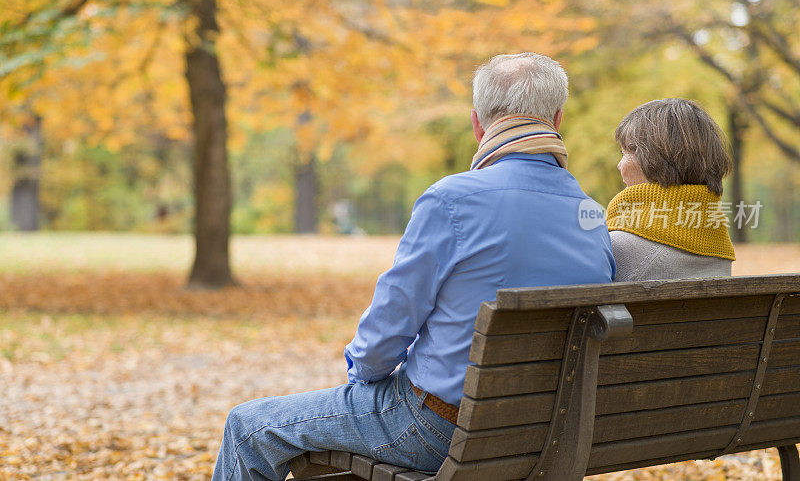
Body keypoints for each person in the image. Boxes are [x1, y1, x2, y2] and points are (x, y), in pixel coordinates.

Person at [212, 52, 616, 481]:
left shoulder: (453, 200)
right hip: (552, 429)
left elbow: (384, 335)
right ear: (557, 119)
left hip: (441, 427)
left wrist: (362, 374)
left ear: (478, 123)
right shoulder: (591, 217)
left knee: (246, 428)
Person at [606, 98, 735, 282]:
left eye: (625, 153)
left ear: (653, 160)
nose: (620, 165)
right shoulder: (719, 247)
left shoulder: (615, 248)